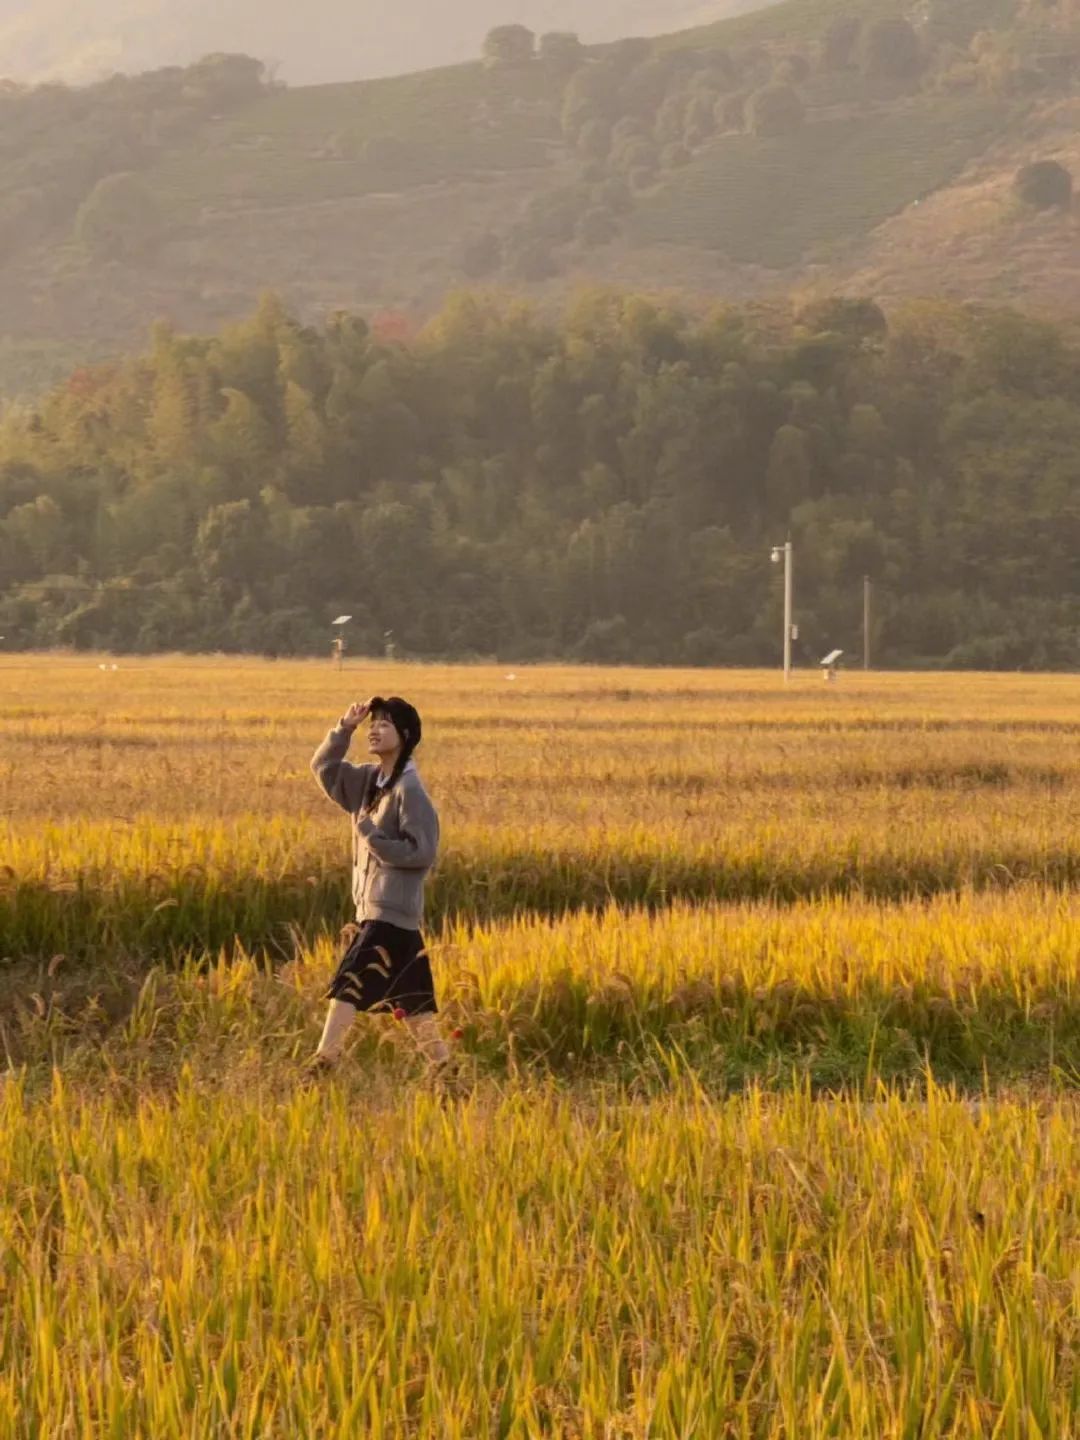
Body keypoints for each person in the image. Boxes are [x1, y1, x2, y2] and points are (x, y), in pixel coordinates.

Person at [305, 695, 452, 1085]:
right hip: (377, 911)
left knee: (349, 983)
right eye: (373, 723)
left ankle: (322, 1064)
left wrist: (371, 835)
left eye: (383, 724)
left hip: (388, 910)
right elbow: (323, 768)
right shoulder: (370, 781)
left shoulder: (409, 789)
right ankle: (447, 1075)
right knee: (415, 1007)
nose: (374, 729)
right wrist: (344, 728)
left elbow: (422, 851)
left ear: (404, 736)